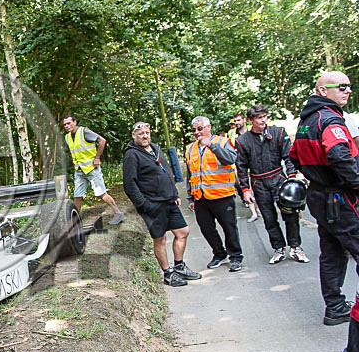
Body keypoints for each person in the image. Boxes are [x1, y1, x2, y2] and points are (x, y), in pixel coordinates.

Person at [290, 71, 357, 326]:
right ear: (322, 91)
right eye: (341, 86)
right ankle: (340, 308)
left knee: (332, 252)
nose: (347, 90)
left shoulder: (306, 121)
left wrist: (315, 174)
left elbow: (295, 155)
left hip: (319, 196)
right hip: (340, 197)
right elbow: (340, 156)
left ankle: (336, 307)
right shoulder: (330, 120)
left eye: (348, 86)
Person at [123, 121, 201, 286]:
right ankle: (168, 273)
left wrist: (174, 193)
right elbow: (129, 185)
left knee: (182, 231)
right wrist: (144, 205)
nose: (145, 136)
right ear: (133, 135)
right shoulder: (132, 155)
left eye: (147, 132)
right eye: (141, 133)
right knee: (160, 239)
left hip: (168, 200)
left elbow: (166, 170)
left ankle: (179, 266)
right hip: (152, 204)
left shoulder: (155, 148)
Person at [235, 104, 309, 265]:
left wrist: (291, 177)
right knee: (269, 218)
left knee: (290, 213)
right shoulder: (242, 141)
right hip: (259, 182)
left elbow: (289, 156)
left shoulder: (278, 132)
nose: (262, 120)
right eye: (258, 117)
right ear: (251, 120)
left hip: (279, 178)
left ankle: (295, 247)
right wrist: (245, 189)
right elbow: (241, 166)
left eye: (264, 116)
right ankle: (279, 248)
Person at [184, 116, 244, 272]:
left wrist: (210, 145)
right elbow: (191, 174)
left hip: (222, 195)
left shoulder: (222, 142)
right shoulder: (190, 148)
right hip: (201, 198)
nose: (196, 133)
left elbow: (231, 159)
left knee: (229, 228)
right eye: (194, 130)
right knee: (206, 228)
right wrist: (190, 197)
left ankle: (235, 257)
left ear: (208, 127)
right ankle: (219, 253)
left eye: (200, 129)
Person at [62, 115, 126, 224]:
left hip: (92, 169)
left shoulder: (84, 132)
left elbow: (102, 141)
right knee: (77, 195)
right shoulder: (67, 137)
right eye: (65, 124)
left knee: (102, 193)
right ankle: (75, 221)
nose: (67, 126)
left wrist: (97, 158)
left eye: (69, 123)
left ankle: (118, 214)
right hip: (79, 170)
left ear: (75, 122)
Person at [228, 112, 260, 222]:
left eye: (238, 120)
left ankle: (259, 207)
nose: (236, 123)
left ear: (244, 120)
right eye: (235, 121)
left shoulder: (253, 130)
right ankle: (253, 212)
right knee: (245, 187)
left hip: (254, 161)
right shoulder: (231, 133)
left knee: (257, 185)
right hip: (239, 163)